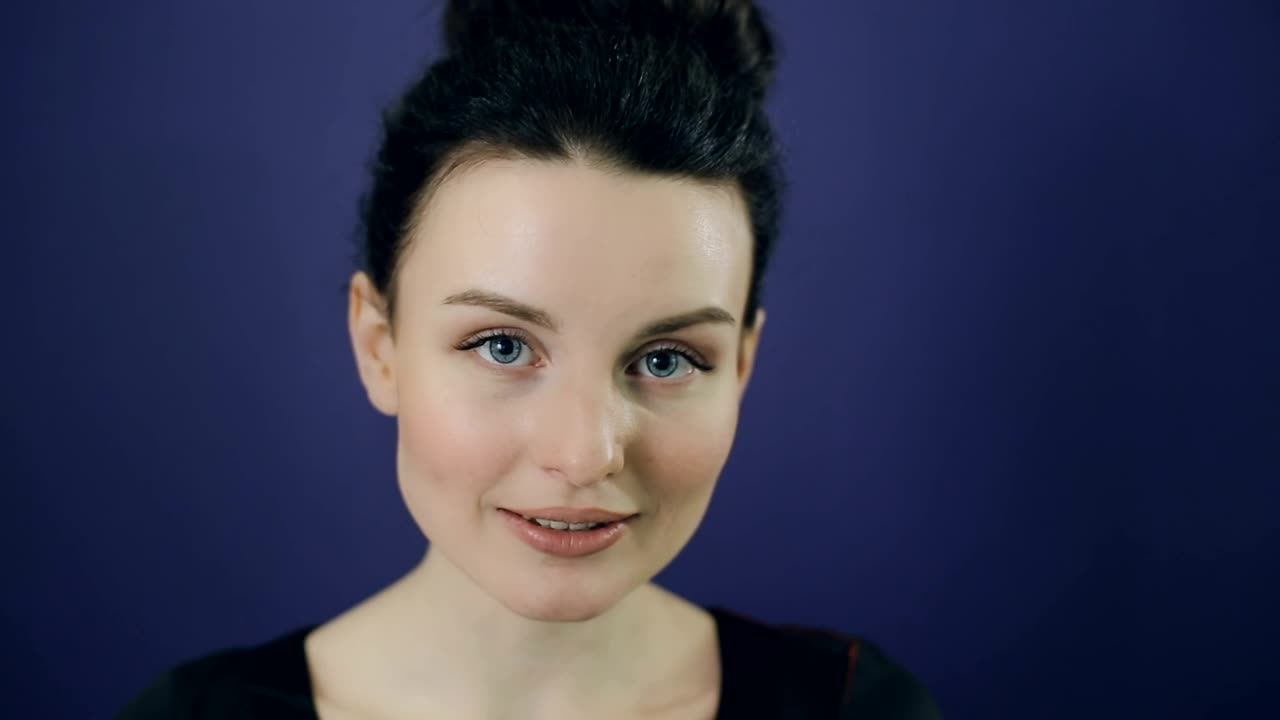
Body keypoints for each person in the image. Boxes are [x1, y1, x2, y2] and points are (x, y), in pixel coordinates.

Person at [118, 1, 940, 717]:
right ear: (380, 346)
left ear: (742, 368)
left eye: (665, 360)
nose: (583, 455)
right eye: (503, 346)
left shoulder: (857, 707)